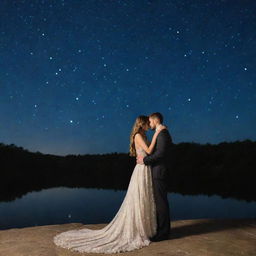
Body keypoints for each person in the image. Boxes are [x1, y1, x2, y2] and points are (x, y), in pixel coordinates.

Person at [53, 115, 166, 253]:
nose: (149, 124)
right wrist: (157, 134)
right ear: (142, 124)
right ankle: (138, 229)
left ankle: (146, 228)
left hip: (146, 168)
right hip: (141, 169)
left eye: (150, 122)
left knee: (145, 198)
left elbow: (149, 152)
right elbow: (148, 151)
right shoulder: (138, 135)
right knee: (139, 197)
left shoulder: (143, 135)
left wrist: (154, 138)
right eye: (147, 123)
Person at [137, 112, 173, 242]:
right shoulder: (161, 132)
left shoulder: (163, 133)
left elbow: (161, 154)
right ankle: (161, 230)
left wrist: (145, 160)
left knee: (161, 203)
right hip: (158, 171)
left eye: (150, 122)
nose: (149, 124)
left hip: (160, 172)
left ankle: (163, 233)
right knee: (159, 202)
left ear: (155, 120)